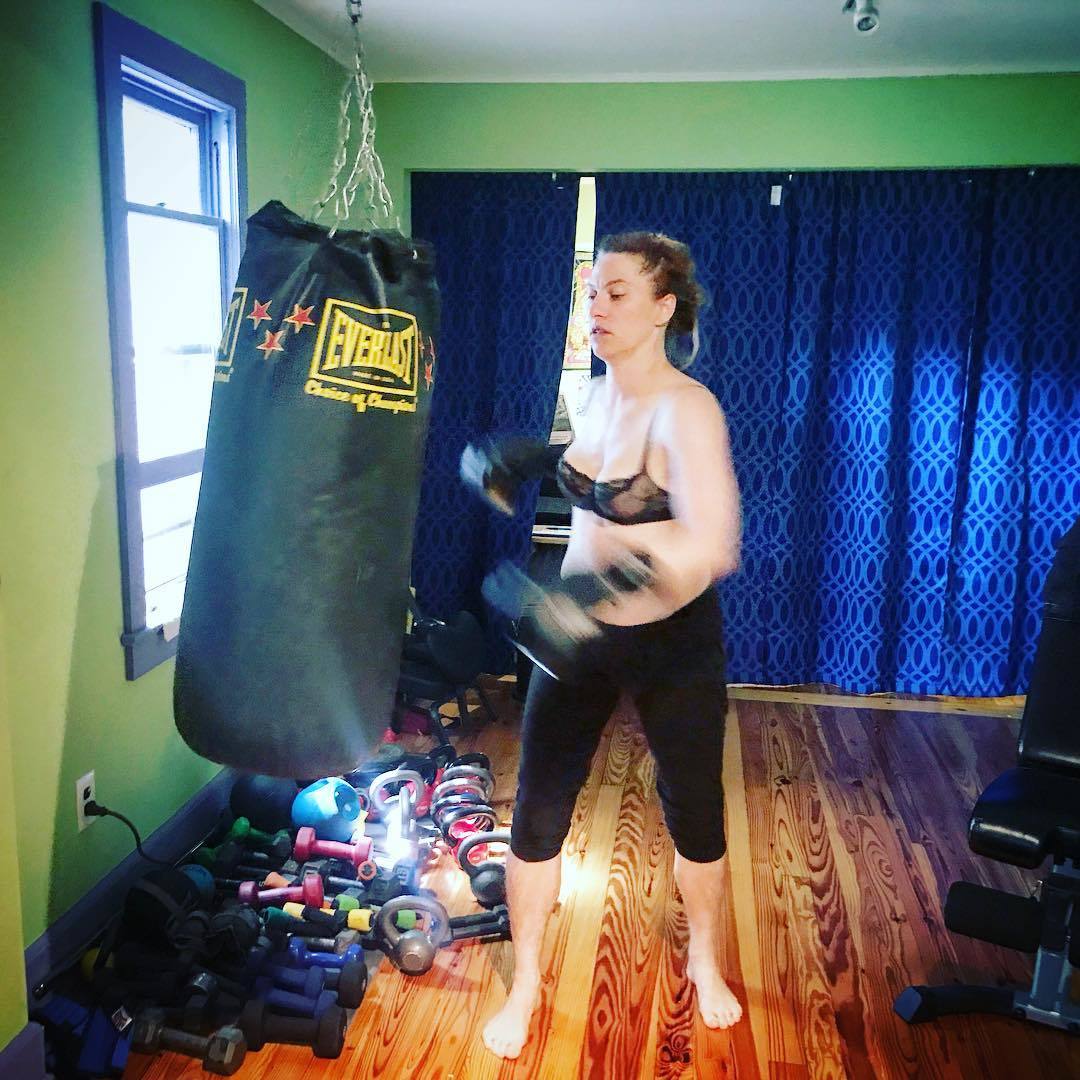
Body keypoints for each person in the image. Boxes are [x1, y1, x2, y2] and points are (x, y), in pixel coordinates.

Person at [463, 232, 743, 1060]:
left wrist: (598, 590)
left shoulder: (687, 409)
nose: (598, 307)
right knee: (537, 808)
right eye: (591, 292)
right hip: (579, 641)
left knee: (694, 810)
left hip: (671, 642)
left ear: (663, 308)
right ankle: (526, 982)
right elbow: (594, 487)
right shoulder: (590, 397)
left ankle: (705, 958)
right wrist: (531, 463)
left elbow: (714, 541)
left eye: (618, 293)